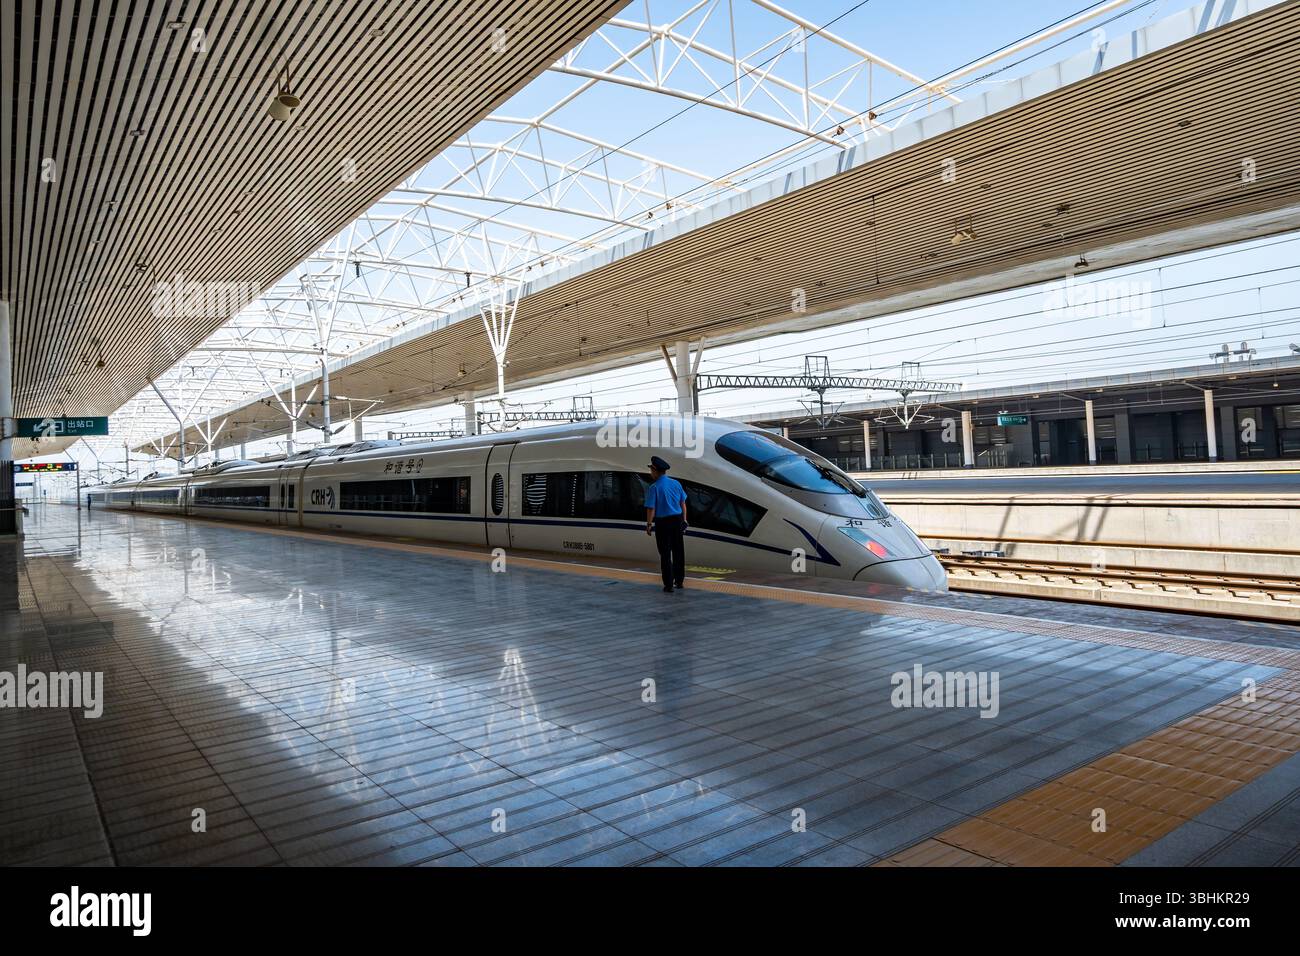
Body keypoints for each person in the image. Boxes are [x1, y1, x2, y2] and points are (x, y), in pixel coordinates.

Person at [644, 455, 688, 592]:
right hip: (677, 520)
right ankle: (679, 581)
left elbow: (651, 508)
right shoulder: (676, 484)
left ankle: (668, 585)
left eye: (651, 470)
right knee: (678, 551)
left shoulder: (654, 487)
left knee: (665, 554)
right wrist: (684, 520)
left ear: (656, 470)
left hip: (663, 523)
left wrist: (649, 524)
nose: (651, 473)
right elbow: (683, 503)